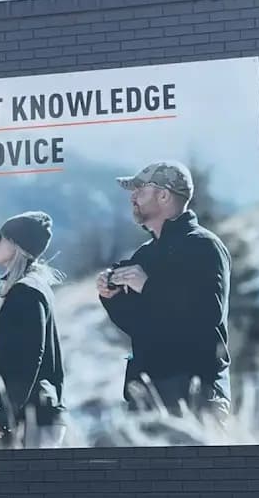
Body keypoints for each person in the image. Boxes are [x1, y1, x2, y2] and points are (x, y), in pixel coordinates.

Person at [96, 161, 233, 425]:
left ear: (164, 195)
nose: (132, 197)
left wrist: (148, 285)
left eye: (139, 189)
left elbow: (207, 315)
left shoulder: (204, 246)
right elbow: (138, 324)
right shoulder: (146, 254)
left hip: (195, 397)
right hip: (147, 397)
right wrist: (111, 298)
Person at [0, 211, 67, 448]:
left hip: (37, 417)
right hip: (36, 413)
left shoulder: (27, 292)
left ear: (16, 246)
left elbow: (30, 359)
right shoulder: (25, 289)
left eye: (1, 239)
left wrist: (6, 414)